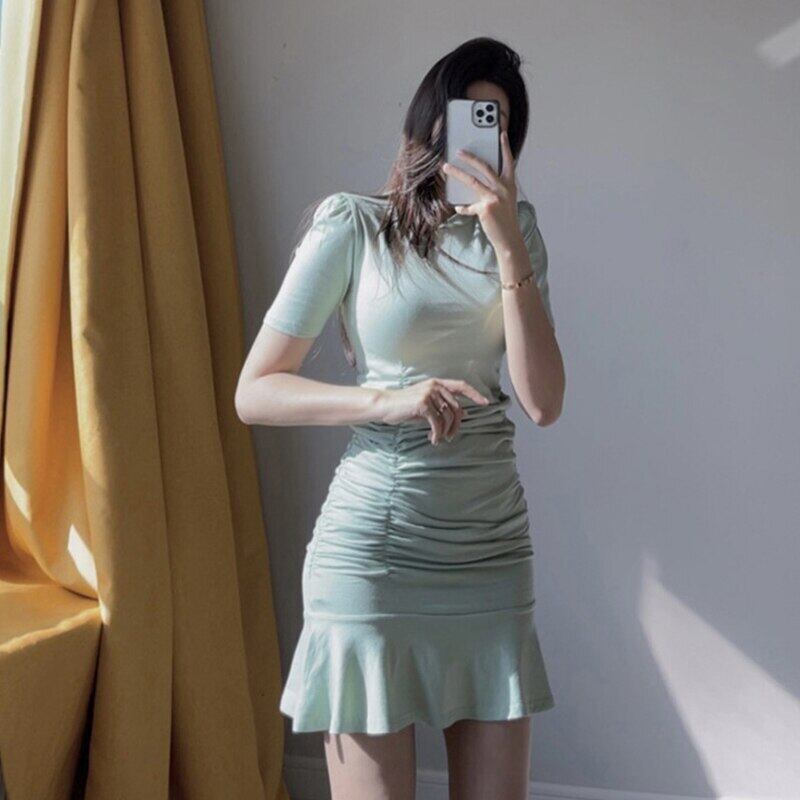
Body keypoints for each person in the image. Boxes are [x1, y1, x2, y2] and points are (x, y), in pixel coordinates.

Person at [236, 36, 565, 800]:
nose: (481, 136)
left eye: (498, 124)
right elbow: (255, 392)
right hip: (374, 554)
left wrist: (508, 245)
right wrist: (389, 400)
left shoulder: (518, 235)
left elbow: (544, 402)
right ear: (431, 120)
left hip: (489, 551)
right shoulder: (353, 224)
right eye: (469, 114)